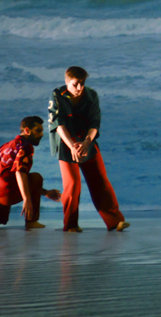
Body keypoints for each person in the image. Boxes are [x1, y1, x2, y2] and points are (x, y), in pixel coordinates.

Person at [48, 66, 129, 232]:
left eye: (82, 83)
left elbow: (95, 122)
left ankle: (115, 221)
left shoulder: (91, 95)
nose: (79, 88)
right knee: (72, 184)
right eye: (75, 84)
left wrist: (86, 143)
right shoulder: (57, 95)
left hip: (87, 141)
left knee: (100, 181)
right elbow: (58, 124)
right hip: (66, 143)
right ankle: (70, 225)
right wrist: (72, 146)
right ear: (66, 81)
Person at [0, 116, 61, 230]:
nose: (41, 134)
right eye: (38, 131)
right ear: (27, 130)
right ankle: (31, 221)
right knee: (36, 177)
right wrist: (27, 199)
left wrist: (46, 192)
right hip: (7, 194)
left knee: (0, 218)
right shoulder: (25, 146)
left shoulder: (5, 146)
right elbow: (20, 172)